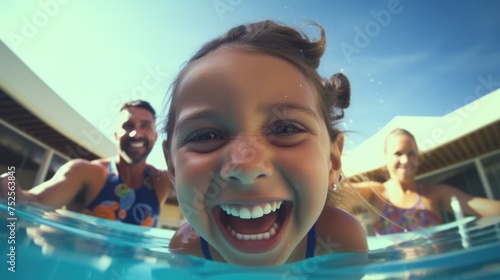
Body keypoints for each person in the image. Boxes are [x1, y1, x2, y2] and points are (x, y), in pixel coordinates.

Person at [161, 20, 368, 266]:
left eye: (286, 129)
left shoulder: (340, 244)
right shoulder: (187, 254)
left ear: (333, 161)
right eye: (206, 136)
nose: (246, 167)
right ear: (172, 169)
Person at [0, 100, 172, 227]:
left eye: (145, 126)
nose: (136, 133)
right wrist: (12, 192)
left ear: (155, 136)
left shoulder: (161, 181)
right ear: (116, 134)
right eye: (128, 125)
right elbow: (35, 203)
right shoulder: (85, 173)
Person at [350, 128, 500, 235]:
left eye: (411, 154)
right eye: (398, 153)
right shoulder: (375, 194)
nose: (405, 160)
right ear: (386, 157)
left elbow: (482, 206)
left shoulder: (434, 194)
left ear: (418, 157)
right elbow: (338, 192)